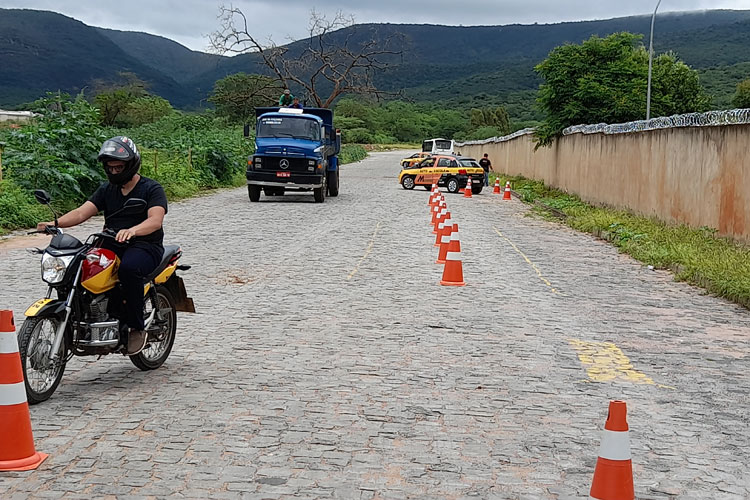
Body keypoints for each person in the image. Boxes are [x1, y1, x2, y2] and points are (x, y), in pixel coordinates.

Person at [36, 136, 168, 355]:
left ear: (131, 164)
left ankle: (136, 327)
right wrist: (55, 223)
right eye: (110, 168)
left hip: (145, 245)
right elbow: (82, 212)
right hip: (111, 242)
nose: (114, 171)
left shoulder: (151, 189)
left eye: (119, 167)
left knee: (129, 269)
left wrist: (133, 230)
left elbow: (155, 220)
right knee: (78, 266)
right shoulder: (107, 190)